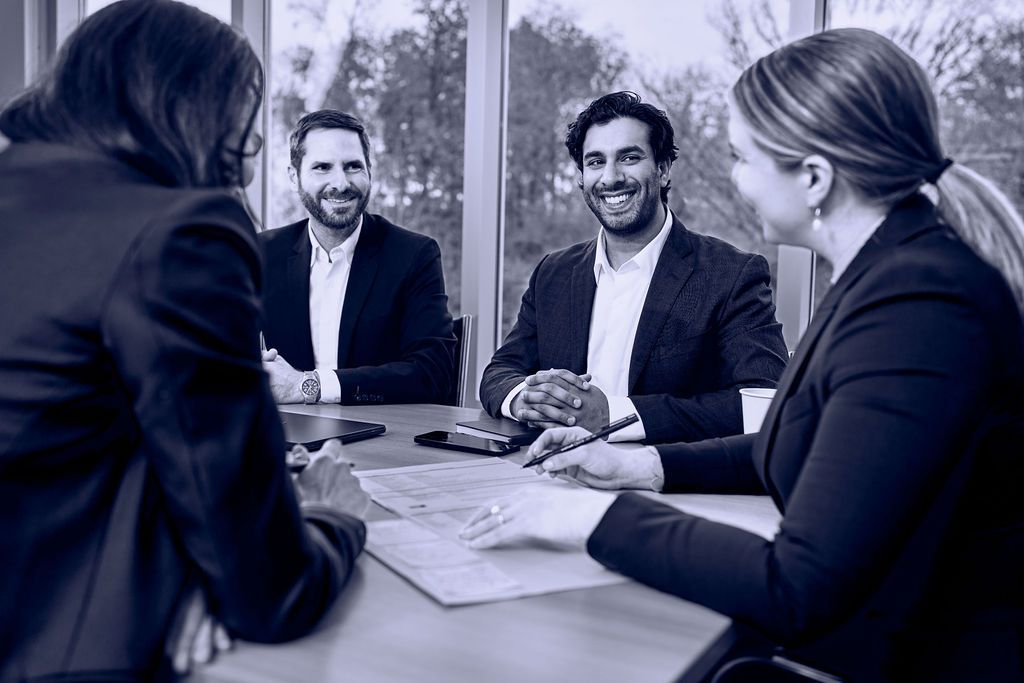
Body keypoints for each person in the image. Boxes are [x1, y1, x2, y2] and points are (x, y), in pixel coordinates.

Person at [463, 29, 1024, 682]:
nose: (735, 179)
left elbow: (798, 586)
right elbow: (790, 443)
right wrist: (633, 467)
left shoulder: (920, 304)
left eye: (742, 157)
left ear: (813, 178)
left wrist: (588, 516)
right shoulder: (885, 276)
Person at [0, 2, 371, 680]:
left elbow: (62, 435)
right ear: (194, 110)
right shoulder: (178, 230)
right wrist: (330, 516)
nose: (249, 162)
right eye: (242, 129)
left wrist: (200, 553)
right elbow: (271, 591)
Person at [479, 92, 787, 444]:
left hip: (666, 482)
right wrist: (523, 399)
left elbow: (764, 401)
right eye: (595, 162)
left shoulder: (731, 274)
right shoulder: (554, 273)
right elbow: (500, 371)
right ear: (580, 176)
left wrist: (616, 416)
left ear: (663, 168)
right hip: (551, 471)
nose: (610, 178)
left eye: (629, 157)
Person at [260, 110, 456, 406]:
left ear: (369, 172)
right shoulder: (262, 253)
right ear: (294, 176)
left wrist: (308, 385)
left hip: (380, 438)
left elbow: (433, 373)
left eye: (353, 166)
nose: (340, 183)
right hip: (288, 436)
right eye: (322, 167)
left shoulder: (414, 254)